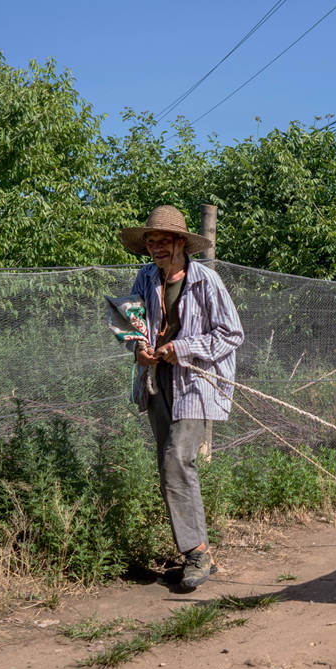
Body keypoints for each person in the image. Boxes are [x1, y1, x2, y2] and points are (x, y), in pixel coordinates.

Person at [119, 204, 244, 591]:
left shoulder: (206, 282)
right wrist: (138, 348)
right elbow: (130, 323)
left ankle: (196, 553)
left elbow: (231, 334)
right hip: (158, 381)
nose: (154, 248)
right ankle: (200, 548)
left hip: (195, 383)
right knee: (168, 465)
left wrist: (183, 348)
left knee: (177, 460)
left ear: (180, 243)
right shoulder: (145, 277)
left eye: (161, 241)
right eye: (150, 242)